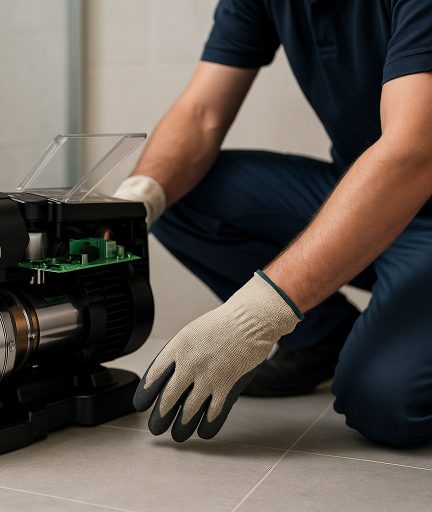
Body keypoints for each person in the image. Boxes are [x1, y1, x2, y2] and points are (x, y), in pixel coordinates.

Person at [113, 0, 432, 447]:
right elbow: (201, 114)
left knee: (384, 402)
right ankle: (321, 337)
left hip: (416, 187)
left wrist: (258, 314)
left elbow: (413, 152)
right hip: (366, 191)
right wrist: (128, 210)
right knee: (177, 194)